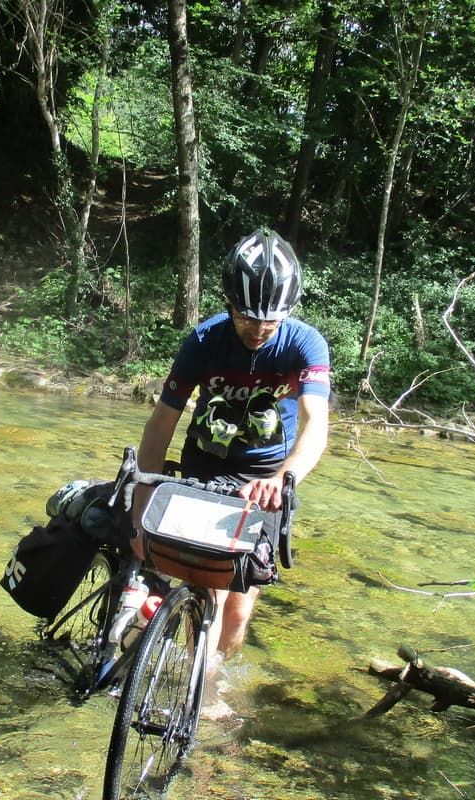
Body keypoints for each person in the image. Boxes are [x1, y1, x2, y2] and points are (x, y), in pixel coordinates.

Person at [131, 228, 330, 715]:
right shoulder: (203, 341)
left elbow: (315, 423)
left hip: (265, 481)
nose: (258, 329)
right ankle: (194, 693)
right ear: (229, 303)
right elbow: (160, 425)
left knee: (239, 611)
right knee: (211, 587)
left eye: (270, 319)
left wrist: (284, 478)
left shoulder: (306, 345)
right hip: (204, 468)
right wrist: (140, 509)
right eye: (246, 317)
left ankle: (207, 672)